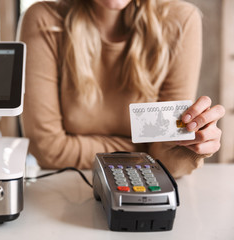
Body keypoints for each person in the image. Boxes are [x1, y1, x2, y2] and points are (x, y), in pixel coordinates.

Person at [18, 0, 225, 178]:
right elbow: (47, 150)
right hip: (62, 190)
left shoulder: (181, 20)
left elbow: (170, 160)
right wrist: (146, 151)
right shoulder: (44, 20)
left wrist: (190, 144)